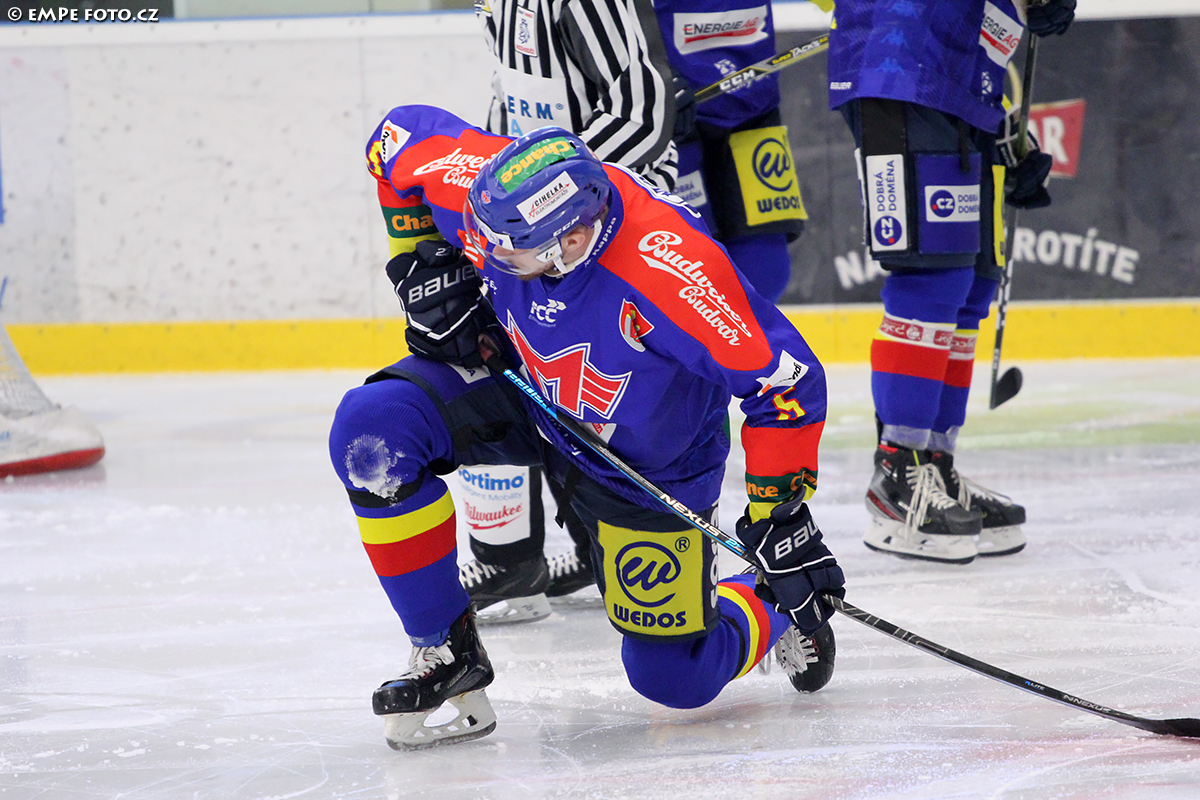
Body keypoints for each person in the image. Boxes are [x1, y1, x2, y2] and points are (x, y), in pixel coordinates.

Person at [329, 106, 845, 749]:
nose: (485, 256)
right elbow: (395, 139)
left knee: (673, 677)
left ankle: (765, 605)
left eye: (505, 254)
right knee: (372, 436)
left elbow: (787, 383)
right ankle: (444, 649)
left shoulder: (673, 270)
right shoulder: (495, 201)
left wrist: (778, 515)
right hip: (523, 388)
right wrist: (418, 267)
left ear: (573, 241)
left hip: (643, 461)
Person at [454, 0, 683, 620]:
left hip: (600, 234)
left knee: (600, 392)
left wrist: (551, 202)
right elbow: (511, 107)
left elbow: (641, 111)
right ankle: (513, 558)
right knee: (513, 366)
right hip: (536, 242)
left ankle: (606, 540)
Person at [826, 0, 1076, 563]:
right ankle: (898, 474)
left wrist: (1006, 126)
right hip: (905, 66)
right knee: (932, 278)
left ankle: (933, 467)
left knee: (972, 285)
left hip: (966, 80)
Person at [653, 0, 815, 303]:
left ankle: (749, 336)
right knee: (686, 268)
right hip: (671, 110)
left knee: (765, 270)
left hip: (753, 104)